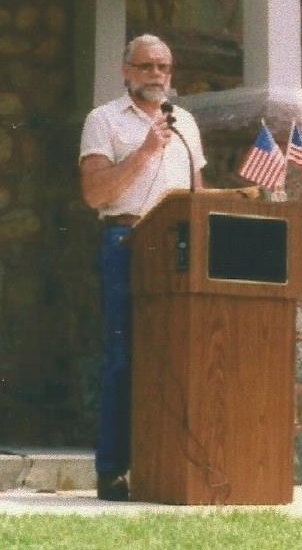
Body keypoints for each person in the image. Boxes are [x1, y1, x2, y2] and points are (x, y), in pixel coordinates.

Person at [79, 34, 207, 501]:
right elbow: (95, 194)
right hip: (127, 241)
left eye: (165, 68)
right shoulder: (104, 120)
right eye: (148, 66)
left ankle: (169, 464)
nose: (157, 76)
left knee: (179, 357)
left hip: (178, 248)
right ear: (126, 71)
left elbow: (197, 191)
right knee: (123, 359)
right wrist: (147, 151)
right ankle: (113, 469)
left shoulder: (186, 123)